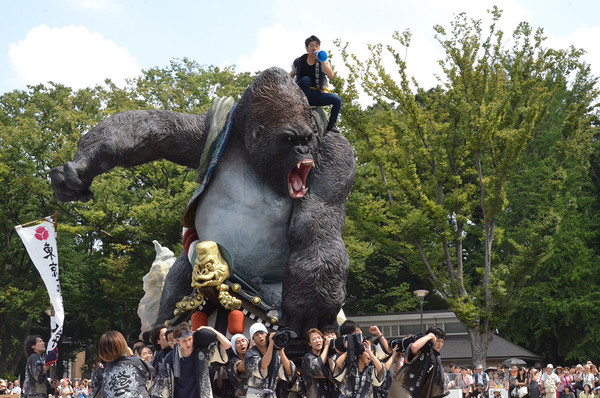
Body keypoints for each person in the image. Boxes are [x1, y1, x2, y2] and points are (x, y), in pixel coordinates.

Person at [152, 322, 231, 398]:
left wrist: (211, 329)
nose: (188, 344)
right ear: (177, 341)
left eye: (189, 339)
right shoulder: (170, 358)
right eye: (184, 341)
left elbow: (227, 344)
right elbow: (162, 386)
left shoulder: (202, 352)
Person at [290, 35, 342, 133]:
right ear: (307, 48)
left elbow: (331, 76)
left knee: (337, 100)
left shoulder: (324, 60)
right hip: (301, 95)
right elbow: (289, 78)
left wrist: (322, 62)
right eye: (312, 46)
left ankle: (331, 126)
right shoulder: (299, 61)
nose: (315, 48)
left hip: (315, 94)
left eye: (317, 46)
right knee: (306, 80)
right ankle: (304, 110)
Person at [388, 327, 448, 398]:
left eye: (442, 342)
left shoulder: (435, 357)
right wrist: (430, 336)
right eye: (437, 341)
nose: (440, 344)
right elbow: (414, 347)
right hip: (403, 388)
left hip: (414, 391)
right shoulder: (421, 350)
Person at [244, 322, 295, 398]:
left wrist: (281, 351)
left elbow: (289, 372)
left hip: (271, 393)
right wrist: (271, 344)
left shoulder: (275, 353)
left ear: (266, 335)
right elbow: (262, 367)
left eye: (262, 333)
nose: (260, 336)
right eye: (256, 335)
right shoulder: (250, 353)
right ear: (253, 339)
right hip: (254, 393)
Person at [98, 330, 153, 398]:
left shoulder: (106, 372)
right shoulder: (135, 362)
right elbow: (152, 372)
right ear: (123, 346)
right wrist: (133, 356)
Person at [302, 328, 338, 398]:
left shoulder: (327, 355)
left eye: (319, 338)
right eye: (314, 339)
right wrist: (326, 346)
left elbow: (335, 378)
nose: (317, 341)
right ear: (310, 343)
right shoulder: (308, 358)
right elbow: (318, 367)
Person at [226, 333, 250, 397]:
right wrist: (251, 349)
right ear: (234, 347)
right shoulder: (233, 361)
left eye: (243, 341)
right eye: (238, 342)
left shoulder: (255, 356)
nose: (242, 344)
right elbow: (244, 366)